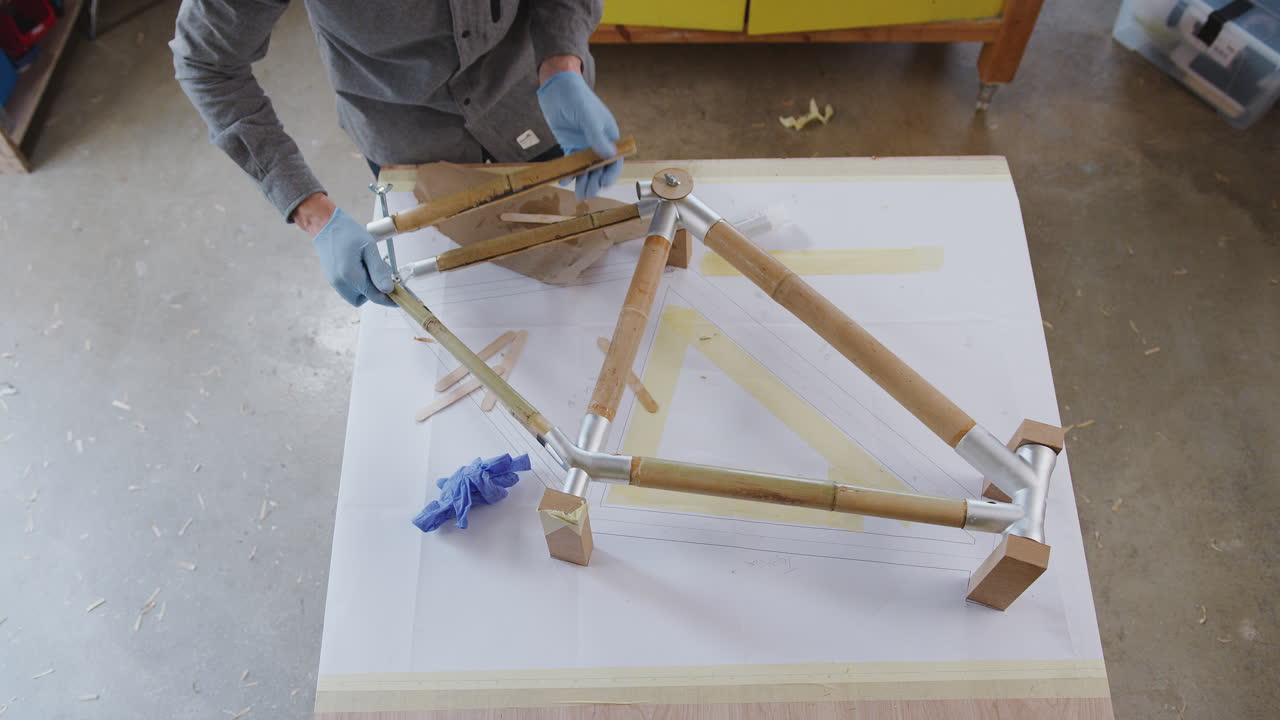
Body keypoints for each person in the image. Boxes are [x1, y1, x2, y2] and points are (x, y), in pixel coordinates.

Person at [170, 1, 621, 308]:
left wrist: (562, 64)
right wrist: (312, 213)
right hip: (406, 136)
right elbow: (206, 63)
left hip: (532, 101)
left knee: (571, 291)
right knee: (453, 300)